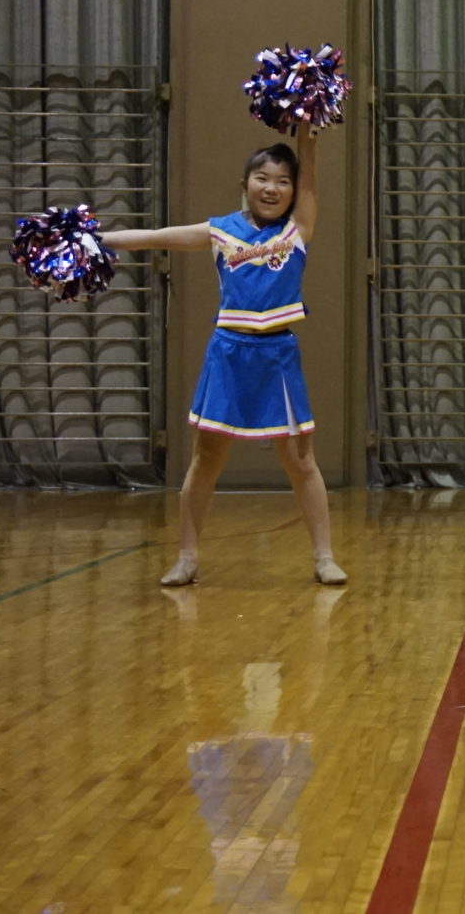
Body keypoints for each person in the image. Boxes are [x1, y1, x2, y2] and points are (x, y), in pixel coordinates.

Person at [103, 129, 345, 587]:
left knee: (301, 461)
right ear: (245, 183)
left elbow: (312, 177)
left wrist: (308, 137)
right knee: (206, 459)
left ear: (294, 191)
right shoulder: (220, 230)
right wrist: (96, 239)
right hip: (228, 354)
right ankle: (187, 558)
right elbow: (155, 237)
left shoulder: (297, 230)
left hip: (278, 355)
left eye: (283, 181)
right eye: (262, 178)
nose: (271, 188)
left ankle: (324, 556)